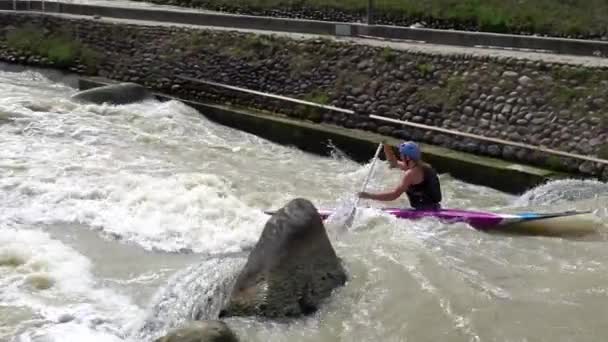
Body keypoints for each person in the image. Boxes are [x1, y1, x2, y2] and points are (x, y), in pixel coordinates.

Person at [358, 141, 442, 210]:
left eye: (402, 154)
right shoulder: (424, 166)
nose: (400, 156)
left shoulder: (410, 174)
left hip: (423, 212)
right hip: (435, 207)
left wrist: (369, 196)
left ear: (408, 157)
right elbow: (393, 163)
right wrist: (386, 146)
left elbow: (393, 195)